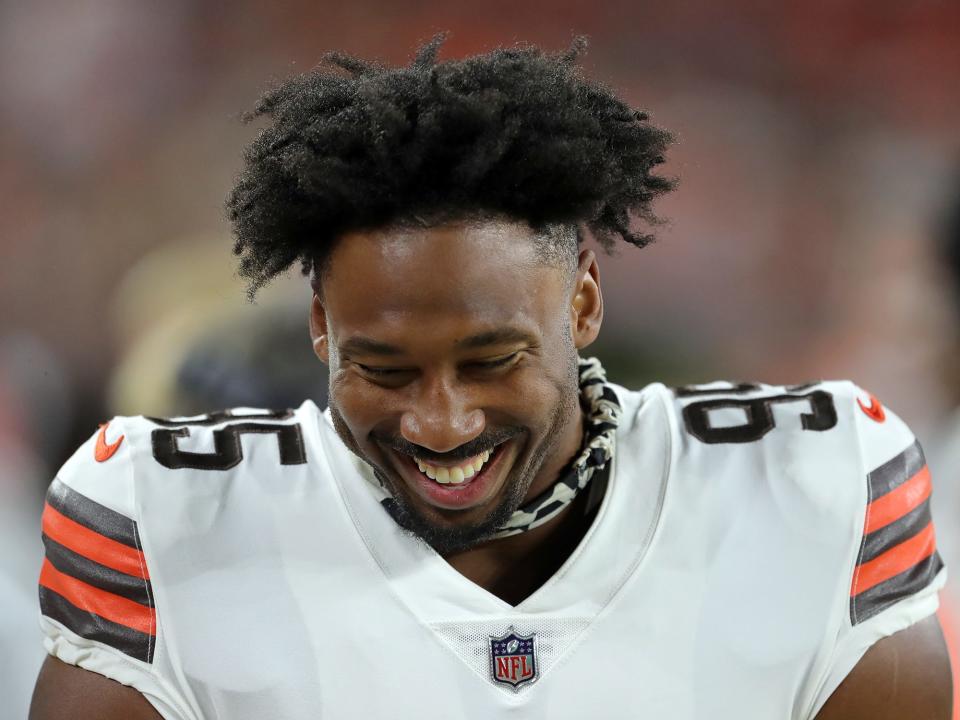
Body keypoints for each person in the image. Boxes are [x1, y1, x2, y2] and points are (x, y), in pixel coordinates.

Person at [29, 37, 951, 719]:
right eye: (383, 369)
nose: (441, 420)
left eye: (492, 360)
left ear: (584, 305)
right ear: (320, 328)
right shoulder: (165, 516)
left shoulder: (810, 485)